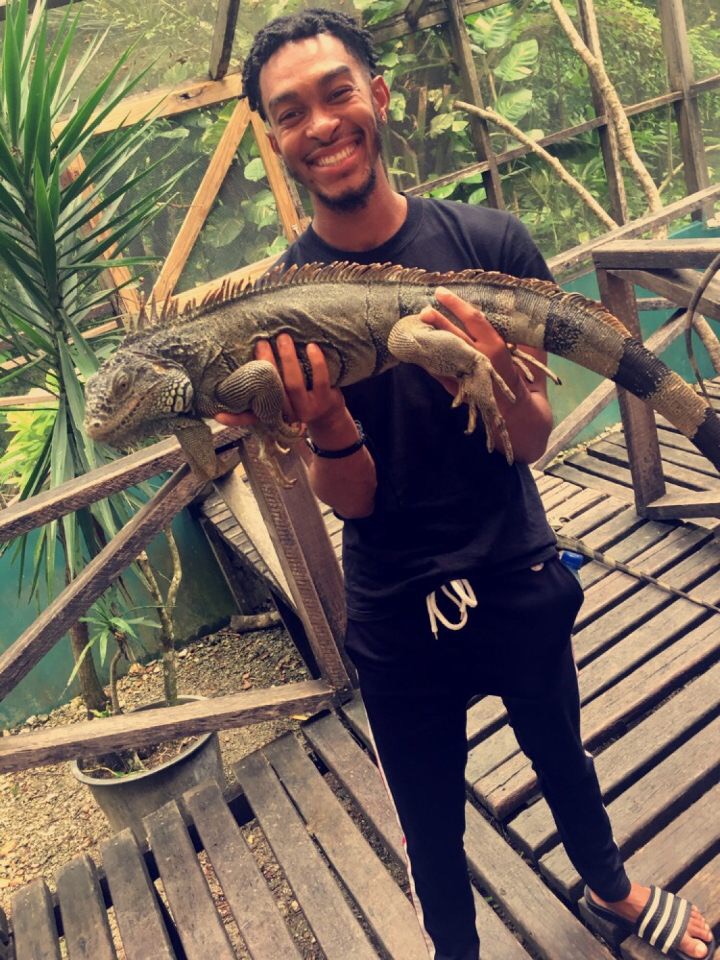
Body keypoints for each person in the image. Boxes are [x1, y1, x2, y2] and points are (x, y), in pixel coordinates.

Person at [216, 10, 715, 960]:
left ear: (378, 97)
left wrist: (502, 381)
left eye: (336, 92)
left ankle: (610, 891)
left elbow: (527, 444)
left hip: (516, 567)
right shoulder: (273, 305)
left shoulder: (490, 241)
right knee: (430, 826)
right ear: (272, 138)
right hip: (396, 607)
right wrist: (324, 421)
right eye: (290, 112)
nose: (320, 123)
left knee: (565, 758)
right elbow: (351, 502)